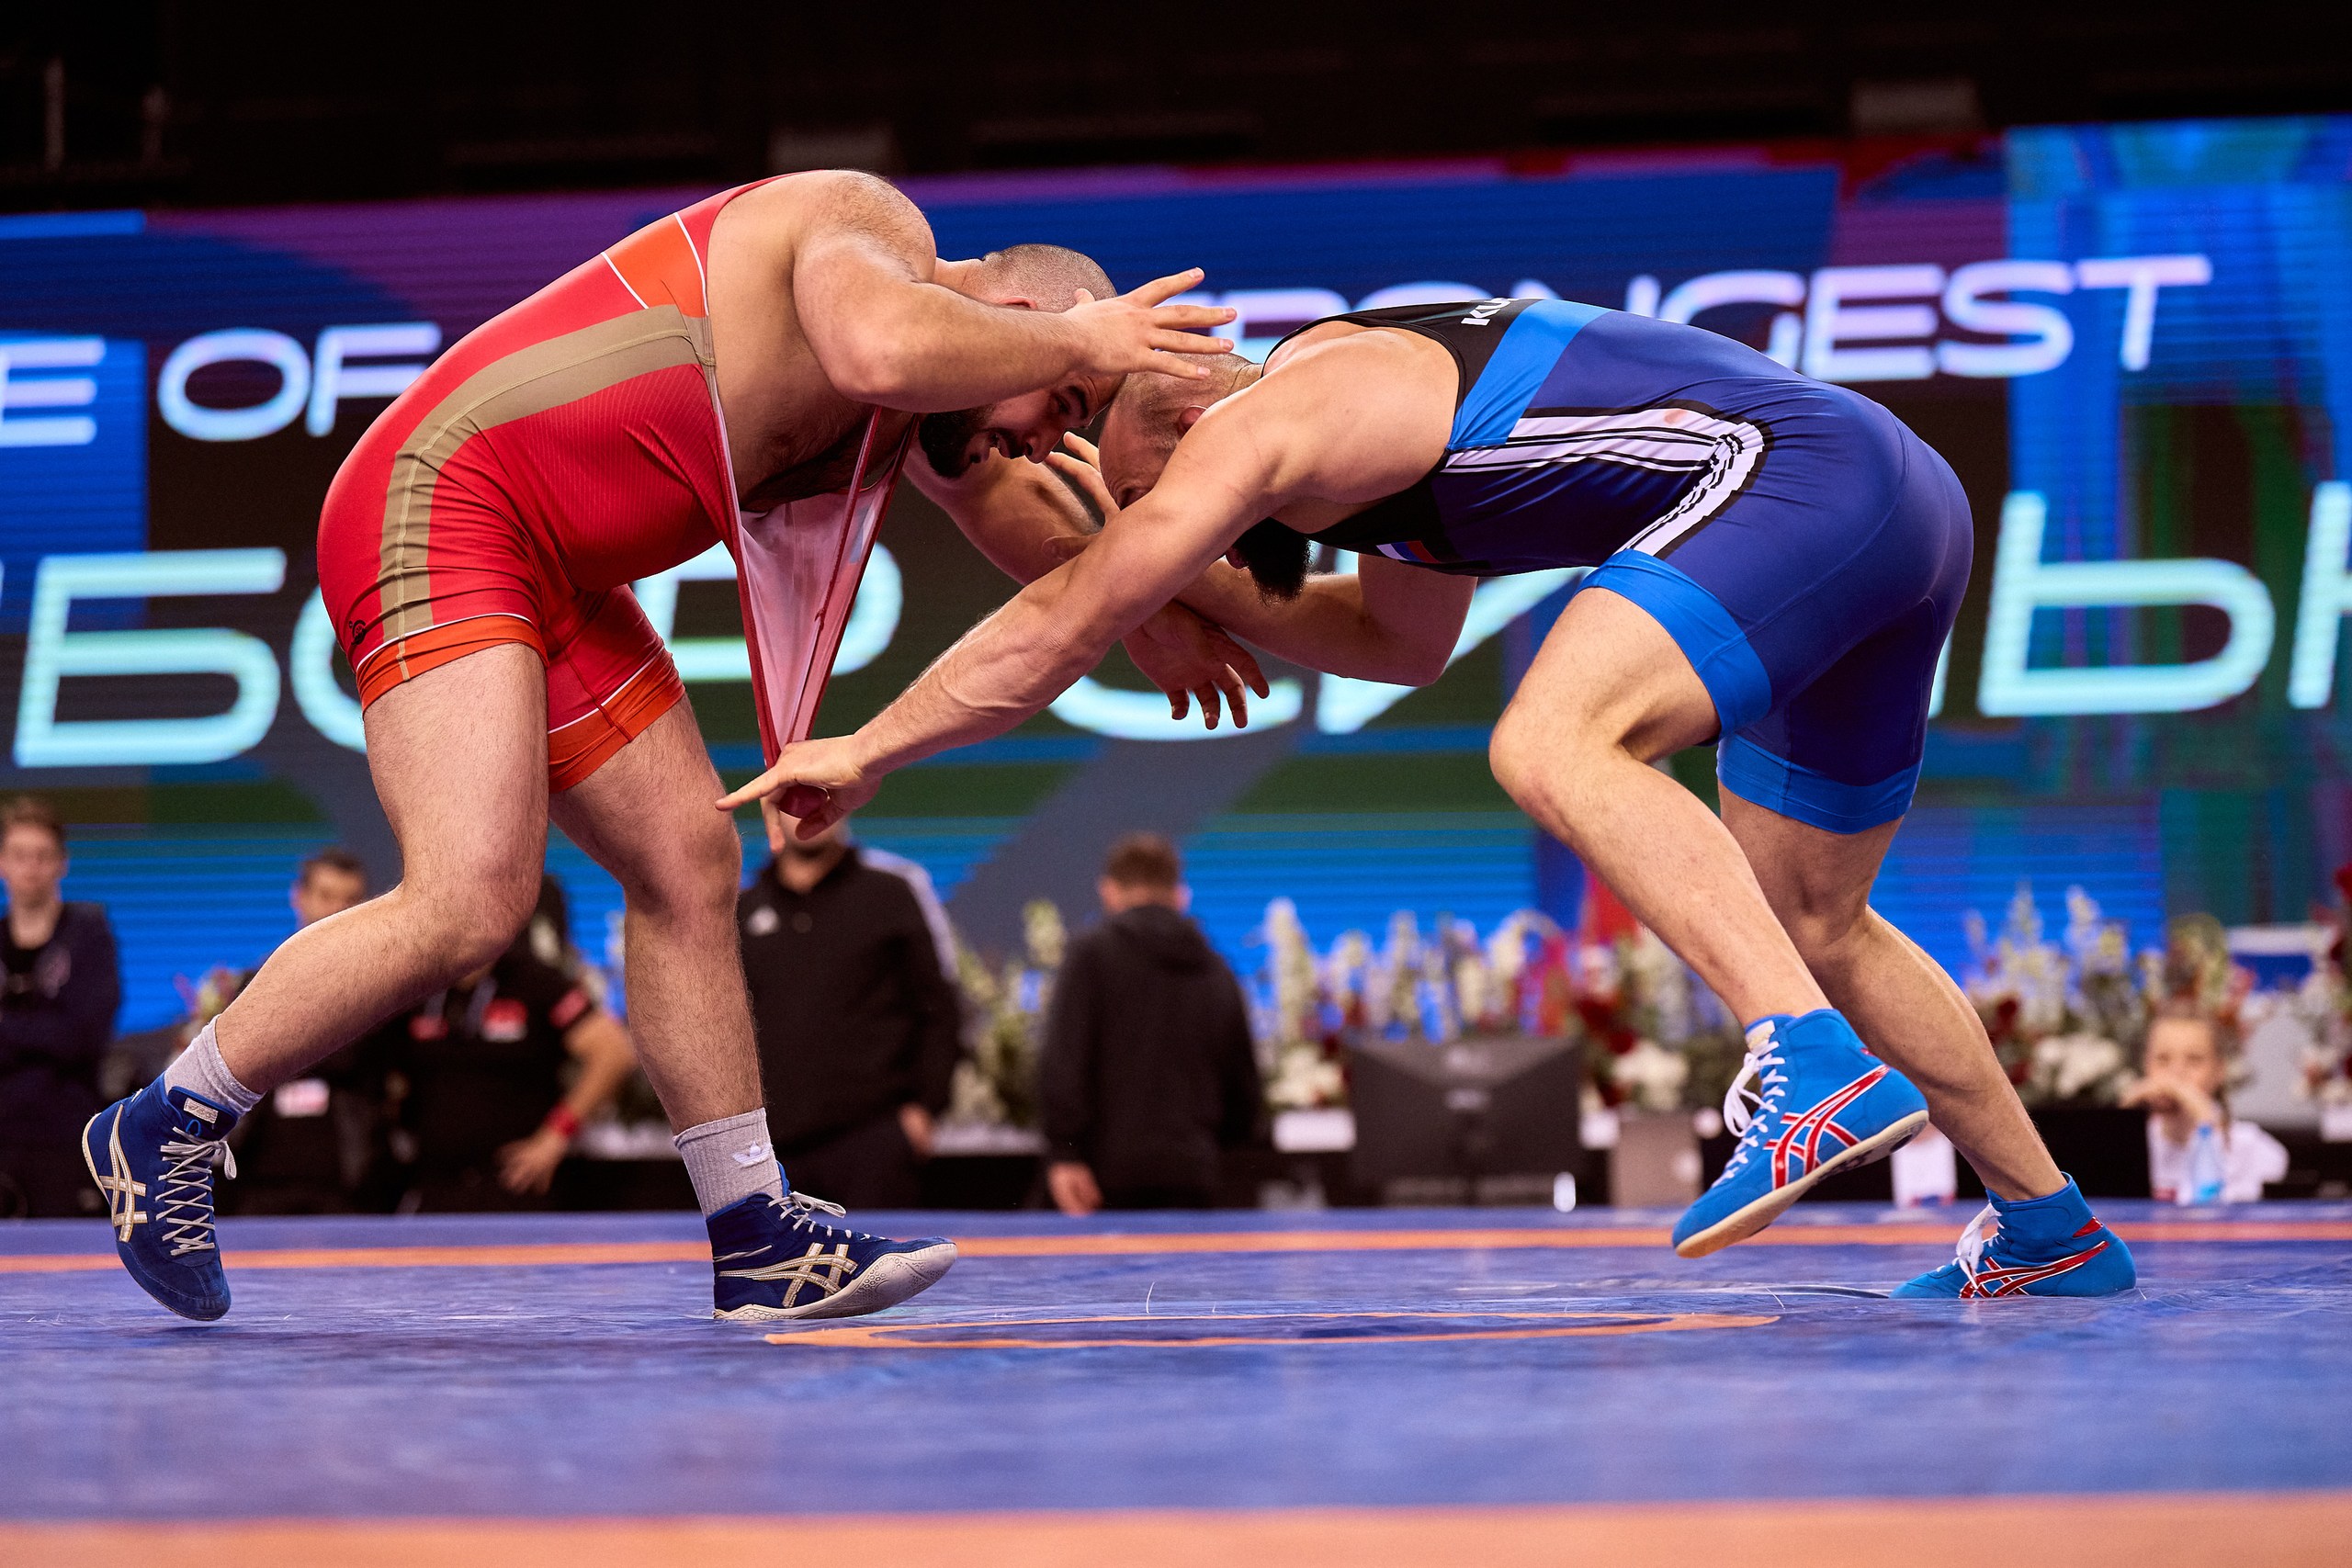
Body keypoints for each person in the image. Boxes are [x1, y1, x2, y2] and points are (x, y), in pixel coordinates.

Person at [737, 293, 2138, 1300]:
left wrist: (871, 748)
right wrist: (1194, 589)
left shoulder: (1274, 412)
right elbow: (1394, 645)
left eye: (1177, 505)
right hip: (1894, 508)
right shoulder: (1379, 440)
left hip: (1797, 485)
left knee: (1551, 742)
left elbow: (1072, 615)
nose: (1208, 534)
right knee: (1817, 919)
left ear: (1190, 437)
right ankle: (2048, 1225)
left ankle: (1807, 1065)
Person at [79, 168, 1254, 1325]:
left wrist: (1153, 619)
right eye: (1060, 408)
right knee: (471, 901)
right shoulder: (866, 226)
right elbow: (879, 348)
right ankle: (166, 1119)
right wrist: (1088, 343)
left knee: (691, 863)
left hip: (555, 572)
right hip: (440, 500)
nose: (1044, 441)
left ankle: (754, 1235)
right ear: (1023, 313)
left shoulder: (922, 421)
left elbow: (1045, 536)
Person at [737, 811, 961, 1209]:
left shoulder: (892, 894)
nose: (807, 809)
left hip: (874, 1144)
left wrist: (926, 1108)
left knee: (886, 1254)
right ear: (771, 810)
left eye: (821, 794)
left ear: (845, 803)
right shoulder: (742, 908)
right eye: (793, 800)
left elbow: (939, 1009)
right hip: (770, 1150)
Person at [1041, 834, 1261, 1214]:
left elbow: (1064, 1062)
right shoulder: (1215, 967)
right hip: (1195, 1176)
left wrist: (1065, 1152)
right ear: (1179, 895)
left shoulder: (1090, 956)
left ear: (1109, 891)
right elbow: (1243, 1088)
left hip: (1100, 1181)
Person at [382, 906, 639, 1212]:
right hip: (434, 1184)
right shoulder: (418, 985)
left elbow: (614, 1052)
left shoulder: (534, 980)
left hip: (517, 1184)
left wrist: (554, 1137)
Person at [221, 848, 382, 1214]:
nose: (338, 910)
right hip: (258, 1180)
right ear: (299, 897)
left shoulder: (383, 988)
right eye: (326, 896)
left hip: (347, 1184)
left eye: (351, 899)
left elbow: (356, 1058)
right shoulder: (256, 983)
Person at [0, 798, 119, 1218]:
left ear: (61, 864)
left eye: (42, 856)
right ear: (2, 863)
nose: (31, 867)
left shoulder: (88, 934)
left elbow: (84, 1035)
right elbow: (62, 1032)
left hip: (68, 1137)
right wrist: (46, 1027)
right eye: (19, 855)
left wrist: (7, 1028)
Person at [2124, 1005, 2289, 1204]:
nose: (2176, 1073)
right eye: (2162, 1059)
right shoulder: (2131, 1144)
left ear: (2219, 1070)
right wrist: (2121, 1119)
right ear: (2146, 1064)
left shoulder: (2254, 1150)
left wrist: (2206, 1122)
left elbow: (2213, 1203)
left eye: (2194, 1060)